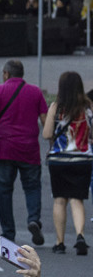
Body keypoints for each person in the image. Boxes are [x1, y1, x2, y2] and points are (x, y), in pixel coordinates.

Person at [0, 60, 48, 244]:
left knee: (4, 191)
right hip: (29, 149)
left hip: (4, 148)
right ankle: (33, 219)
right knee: (32, 187)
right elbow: (45, 120)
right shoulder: (35, 92)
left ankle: (8, 233)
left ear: (5, 74)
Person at [41, 71, 93, 254]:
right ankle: (80, 235)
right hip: (83, 160)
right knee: (77, 200)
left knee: (60, 200)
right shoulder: (88, 107)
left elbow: (47, 134)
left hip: (59, 160)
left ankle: (60, 242)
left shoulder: (56, 107)